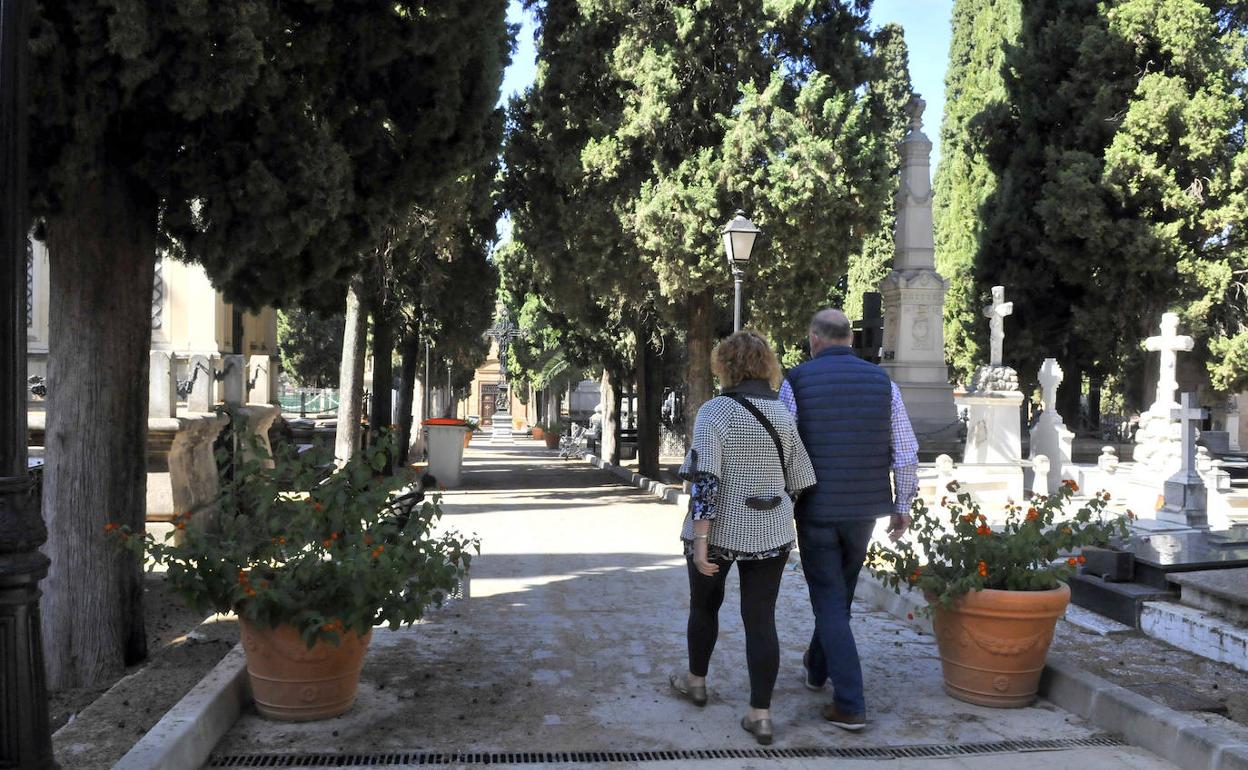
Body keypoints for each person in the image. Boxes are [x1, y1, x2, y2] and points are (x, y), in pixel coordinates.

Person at [669, 330, 817, 745]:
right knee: (761, 619)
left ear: (725, 365)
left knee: (704, 606)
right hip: (770, 535)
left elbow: (705, 481)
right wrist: (767, 500)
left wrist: (700, 542)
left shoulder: (715, 412)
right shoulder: (783, 416)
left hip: (716, 534)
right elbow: (801, 480)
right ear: (766, 364)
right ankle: (761, 714)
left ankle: (696, 681)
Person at [778, 308, 919, 732]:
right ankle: (816, 668)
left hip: (816, 509)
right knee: (837, 597)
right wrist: (903, 505)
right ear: (850, 340)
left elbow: (786, 446)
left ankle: (850, 702)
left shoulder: (797, 381)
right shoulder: (883, 383)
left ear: (814, 339)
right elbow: (906, 450)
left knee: (828, 600)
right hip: (863, 511)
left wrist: (785, 503)